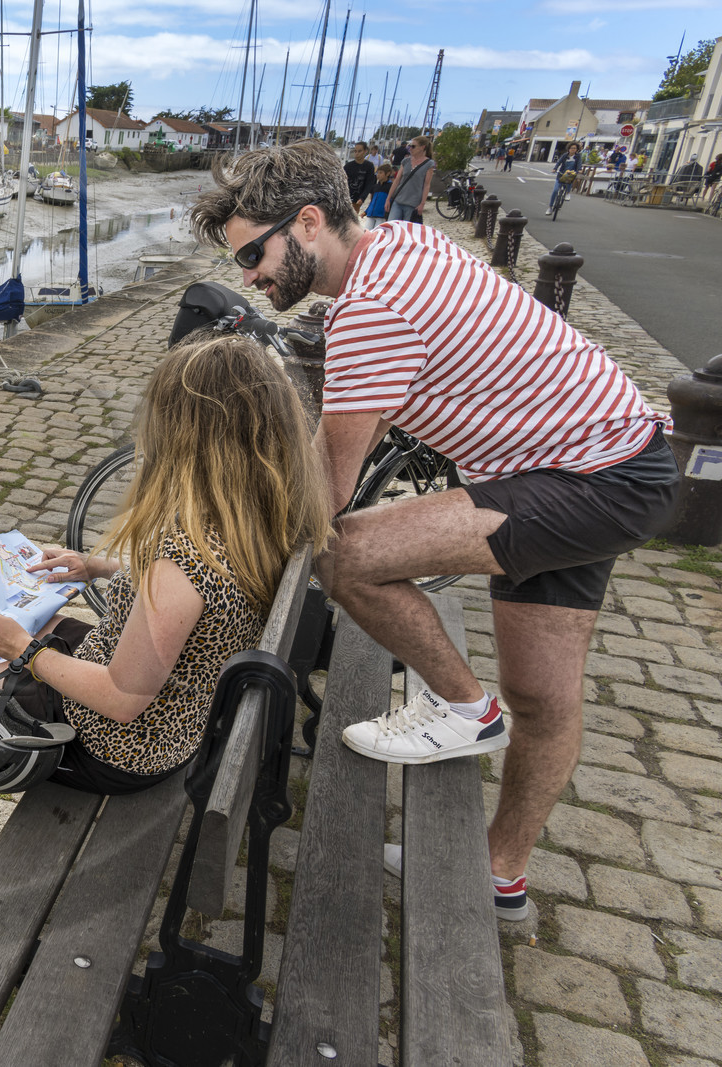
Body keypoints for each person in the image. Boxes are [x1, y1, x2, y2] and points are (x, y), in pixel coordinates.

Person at [188, 139, 678, 922]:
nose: (248, 277)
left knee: (347, 556)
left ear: (308, 223)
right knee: (542, 694)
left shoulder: (370, 309)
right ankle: (501, 873)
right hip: (606, 459)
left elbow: (327, 495)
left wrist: (226, 532)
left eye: (253, 254)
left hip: (589, 479)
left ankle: (461, 708)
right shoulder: (398, 242)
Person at [0, 335, 332, 860]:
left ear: (190, 438)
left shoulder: (180, 562)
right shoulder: (262, 514)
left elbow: (122, 697)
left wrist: (24, 651)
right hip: (173, 709)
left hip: (121, 747)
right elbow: (197, 600)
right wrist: (97, 566)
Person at [386, 135, 434, 223]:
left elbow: (427, 185)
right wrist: (388, 199)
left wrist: (422, 204)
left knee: (407, 229)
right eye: (409, 146)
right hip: (398, 200)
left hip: (413, 203)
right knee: (392, 226)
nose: (410, 149)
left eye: (413, 146)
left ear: (422, 147)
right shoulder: (406, 161)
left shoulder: (429, 164)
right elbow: (397, 181)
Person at [343, 141, 375, 212]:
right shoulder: (348, 166)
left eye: (359, 151)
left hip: (357, 199)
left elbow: (369, 183)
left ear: (365, 151)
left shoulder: (369, 166)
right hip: (345, 198)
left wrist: (362, 197)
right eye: (355, 151)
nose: (357, 153)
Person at [551, 142, 583, 213]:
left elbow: (579, 164)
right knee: (555, 190)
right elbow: (559, 162)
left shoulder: (578, 156)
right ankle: (550, 207)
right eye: (571, 148)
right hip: (561, 174)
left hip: (571, 174)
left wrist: (579, 170)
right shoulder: (565, 155)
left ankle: (568, 193)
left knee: (570, 178)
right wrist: (555, 169)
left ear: (577, 149)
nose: (573, 149)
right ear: (568, 149)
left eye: (575, 148)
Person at [361, 163, 392, 229]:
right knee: (367, 231)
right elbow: (372, 201)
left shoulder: (390, 187)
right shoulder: (375, 186)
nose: (378, 175)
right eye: (377, 173)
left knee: (378, 232)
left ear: (388, 173)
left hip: (381, 215)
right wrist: (366, 211)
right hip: (371, 214)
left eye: (381, 173)